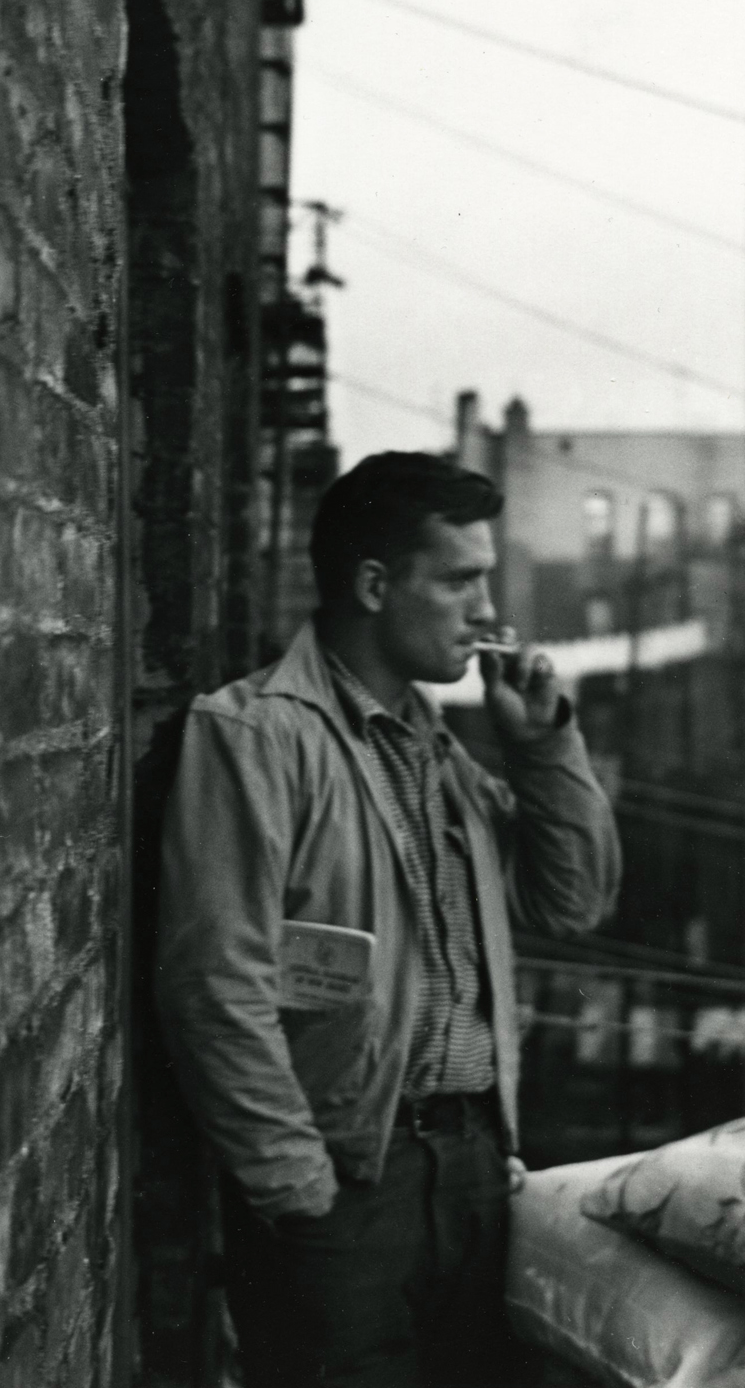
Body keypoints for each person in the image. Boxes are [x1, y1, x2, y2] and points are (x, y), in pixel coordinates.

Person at [156, 451, 621, 1388]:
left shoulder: (436, 752)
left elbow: (570, 902)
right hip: (349, 1184)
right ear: (373, 585)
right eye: (459, 580)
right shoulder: (257, 735)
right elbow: (214, 981)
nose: (487, 612)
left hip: (476, 1171)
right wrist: (299, 1192)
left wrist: (541, 749)